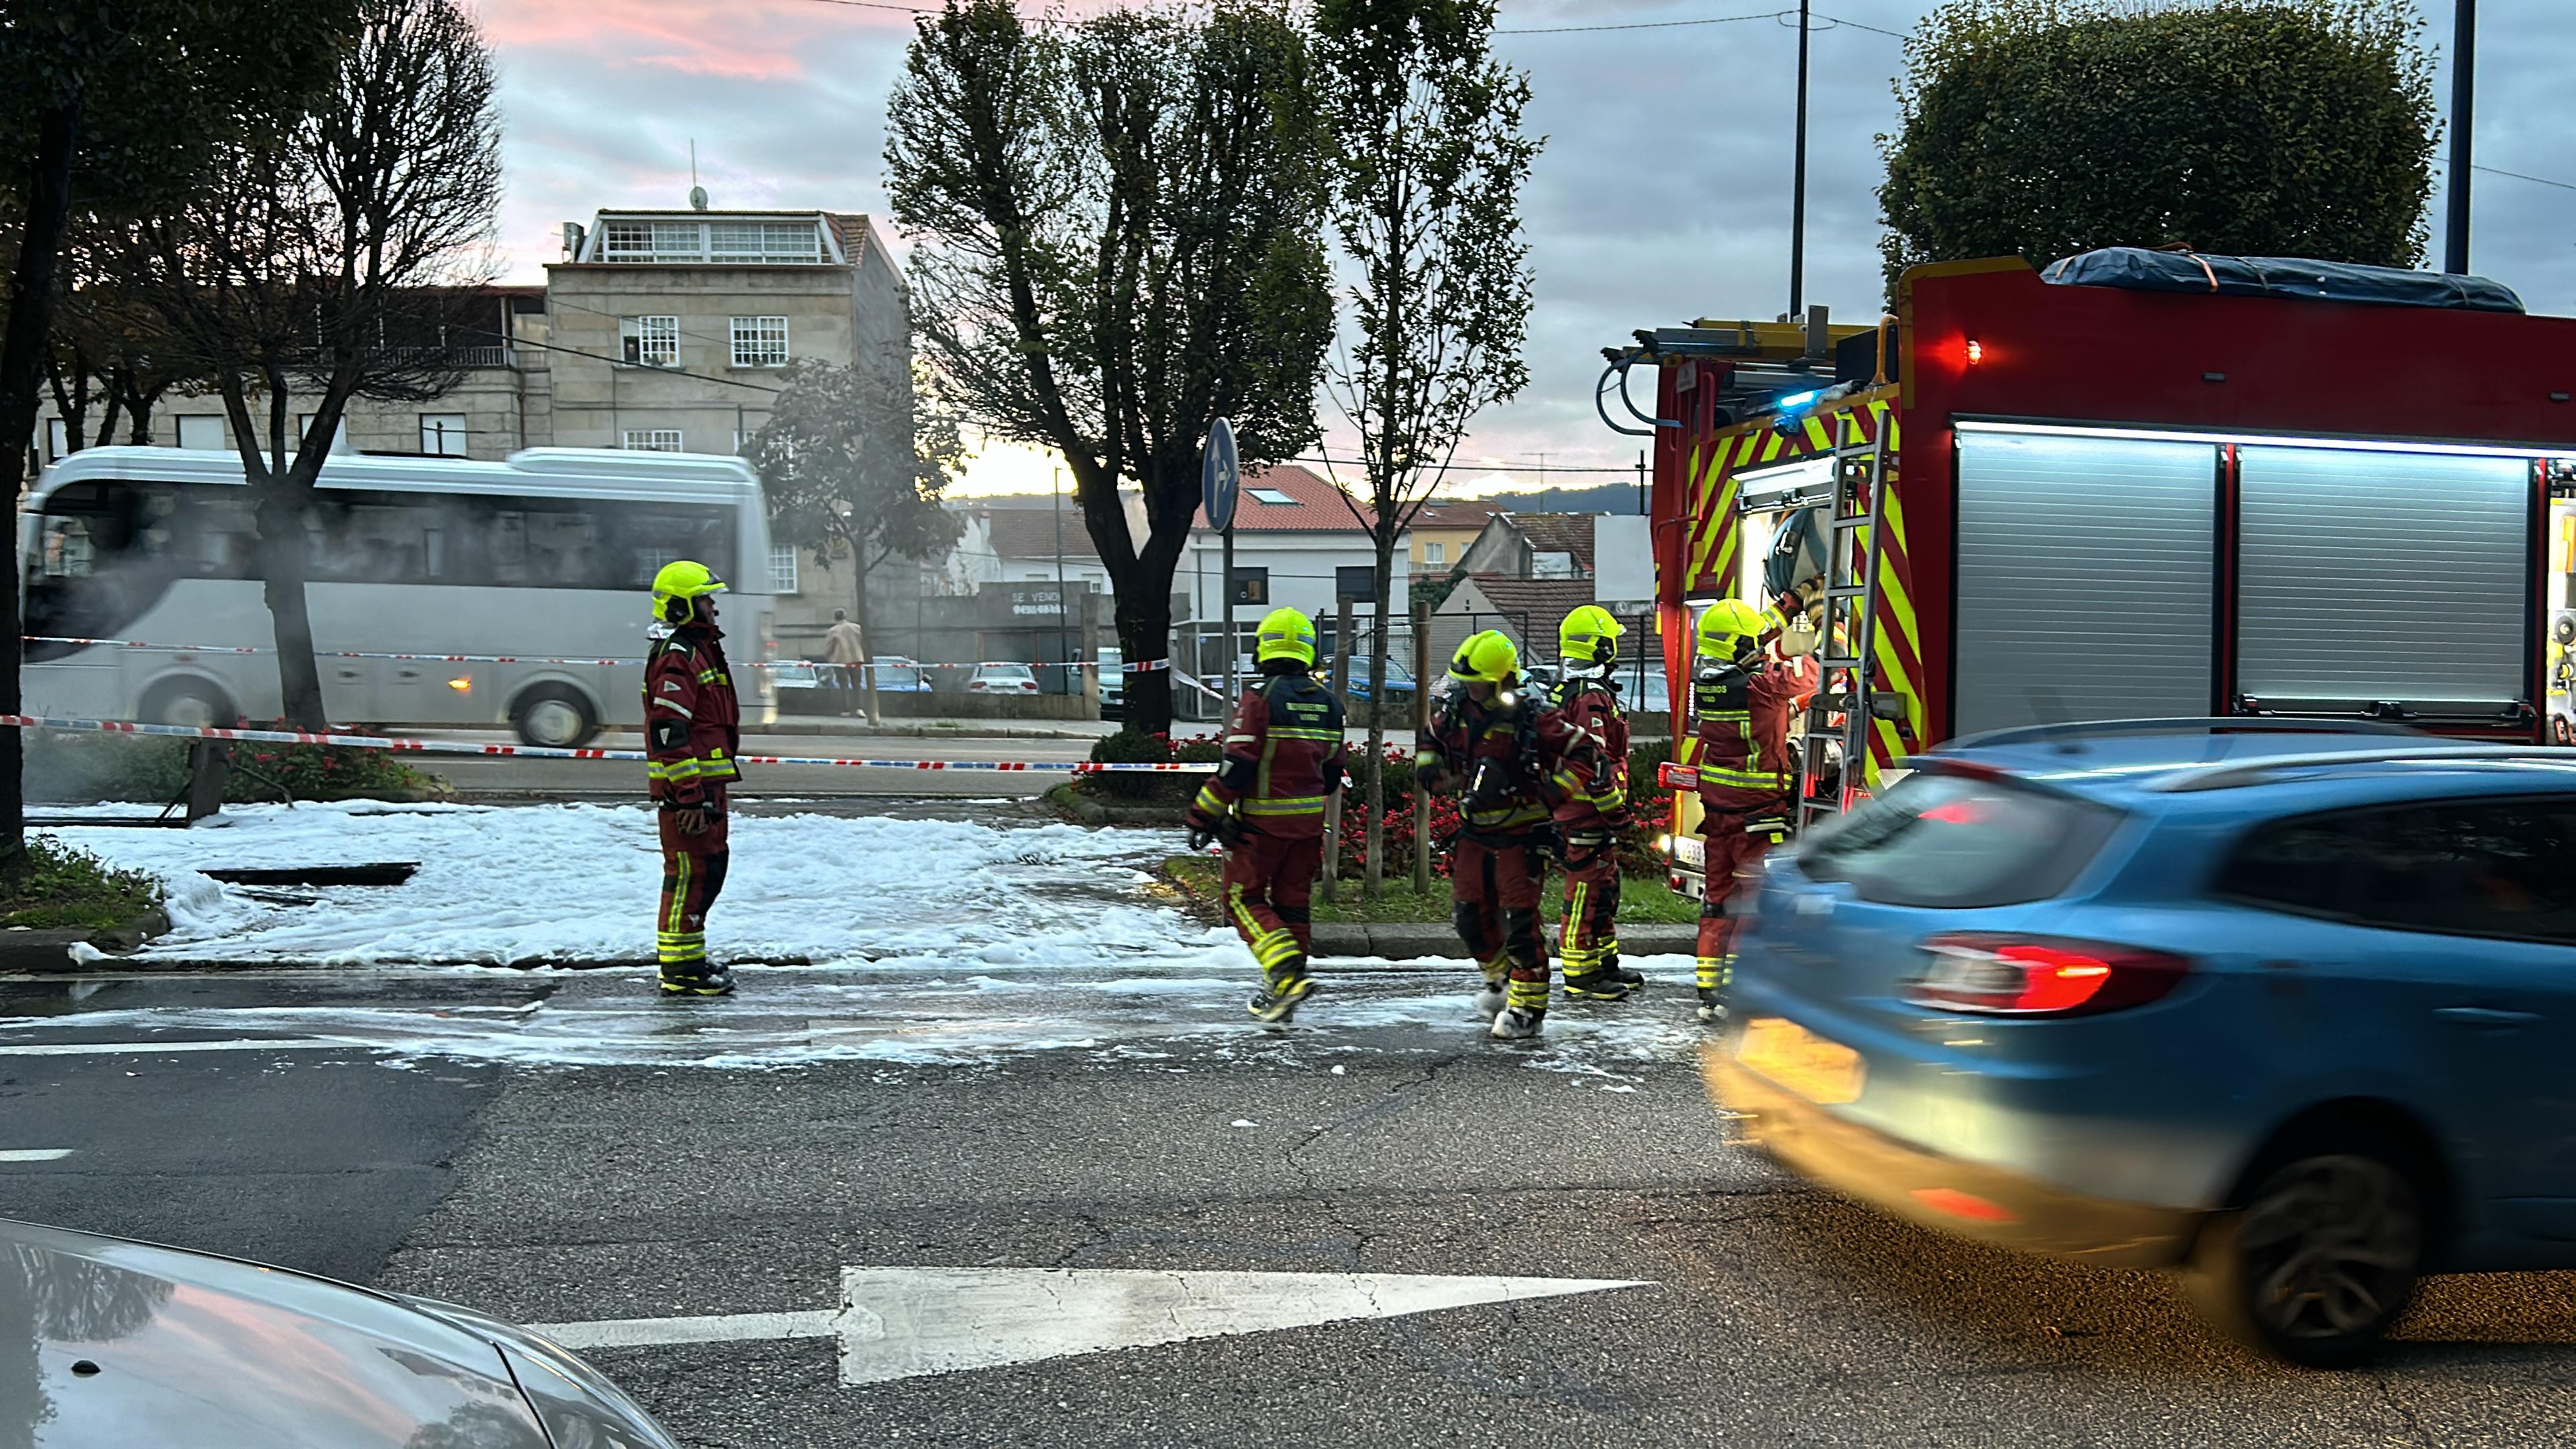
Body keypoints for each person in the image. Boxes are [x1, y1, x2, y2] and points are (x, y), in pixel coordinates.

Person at [1419, 630, 1599, 1041]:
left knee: (1520, 925)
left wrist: (1556, 792)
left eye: (1478, 681)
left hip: (1522, 835)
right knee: (1469, 918)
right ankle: (1500, 981)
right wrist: (1430, 771)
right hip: (1475, 832)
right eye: (1465, 681)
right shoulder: (1457, 710)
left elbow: (1586, 753)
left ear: (1502, 680)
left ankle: (1527, 1009)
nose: (1470, 688)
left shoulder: (1533, 717)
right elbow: (1431, 740)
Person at [1186, 606, 1348, 1023]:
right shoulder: (1329, 704)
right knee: (1293, 905)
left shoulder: (1260, 699)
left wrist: (1203, 816)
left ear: (1263, 648)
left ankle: (1284, 973)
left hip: (1259, 830)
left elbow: (1237, 765)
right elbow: (1332, 773)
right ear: (1309, 652)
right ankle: (1285, 990)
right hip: (1309, 829)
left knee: (1243, 900)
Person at [1690, 598, 1818, 1024]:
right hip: (1756, 814)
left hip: (1719, 814)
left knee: (1717, 899)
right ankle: (1742, 987)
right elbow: (1810, 675)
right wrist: (1820, 623)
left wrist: (1785, 606)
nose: (1763, 650)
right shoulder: (1761, 687)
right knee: (1752, 901)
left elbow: (1769, 714)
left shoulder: (1707, 686)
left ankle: (1710, 986)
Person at [645, 559, 743, 998]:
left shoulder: (698, 649)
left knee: (707, 871)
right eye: (706, 599)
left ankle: (689, 959)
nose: (713, 607)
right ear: (683, 606)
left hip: (706, 788)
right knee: (688, 874)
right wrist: (687, 796)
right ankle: (680, 971)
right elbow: (669, 729)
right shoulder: (679, 655)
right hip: (690, 792)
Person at [1548, 606, 1641, 1002]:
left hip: (1588, 812)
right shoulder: (1589, 701)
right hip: (1588, 813)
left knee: (1604, 888)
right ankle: (1580, 975)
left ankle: (1604, 963)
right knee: (1586, 890)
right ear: (1601, 647)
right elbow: (1595, 766)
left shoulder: (1581, 693)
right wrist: (1618, 816)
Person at [822, 608, 868, 717]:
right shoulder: (857, 628)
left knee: (844, 685)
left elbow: (829, 647)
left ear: (835, 618)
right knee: (857, 684)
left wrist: (827, 657)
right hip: (856, 659)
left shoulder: (834, 630)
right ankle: (859, 709)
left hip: (840, 660)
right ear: (845, 617)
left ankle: (846, 710)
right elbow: (864, 642)